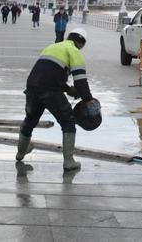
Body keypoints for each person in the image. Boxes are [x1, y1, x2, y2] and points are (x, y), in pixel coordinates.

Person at [16, 27, 92, 171]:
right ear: (82, 43)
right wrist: (89, 100)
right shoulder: (74, 51)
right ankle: (69, 161)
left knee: (30, 119)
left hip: (32, 86)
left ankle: (21, 152)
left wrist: (69, 90)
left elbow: (49, 72)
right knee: (68, 121)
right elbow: (81, 81)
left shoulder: (52, 46)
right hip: (50, 90)